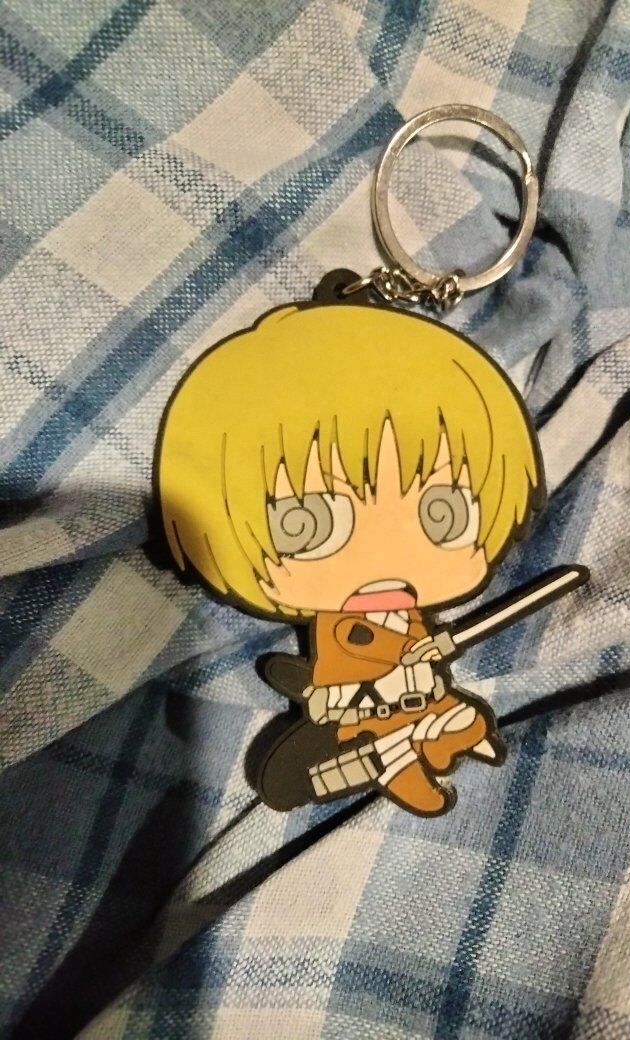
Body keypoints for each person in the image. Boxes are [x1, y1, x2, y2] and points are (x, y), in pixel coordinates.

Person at [156, 301, 545, 815]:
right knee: (404, 742)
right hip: (365, 715)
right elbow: (344, 665)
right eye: (306, 523)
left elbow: (412, 650)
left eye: (443, 513)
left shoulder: (406, 613)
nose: (387, 558)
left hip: (417, 699)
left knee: (461, 721)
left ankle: (442, 742)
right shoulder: (341, 628)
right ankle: (405, 764)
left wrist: (424, 656)